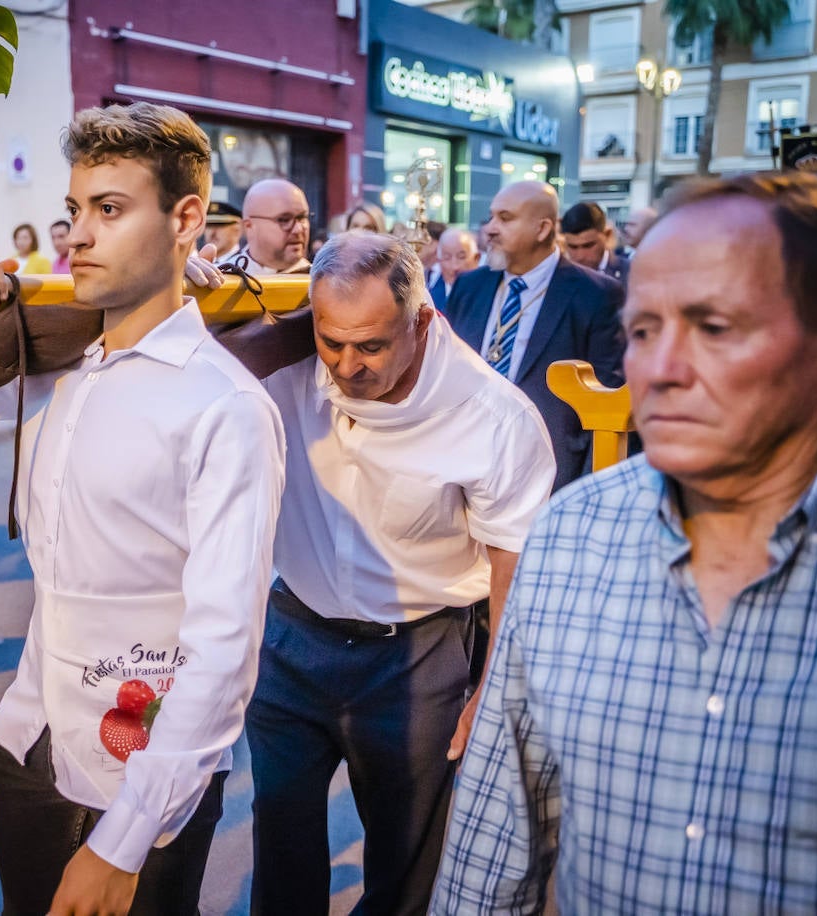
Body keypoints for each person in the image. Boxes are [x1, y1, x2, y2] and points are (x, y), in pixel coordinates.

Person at [0, 101, 285, 916]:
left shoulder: (224, 407)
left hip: (138, 784)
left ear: (187, 219)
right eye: (74, 211)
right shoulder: (60, 365)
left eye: (109, 209)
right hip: (25, 743)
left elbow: (223, 655)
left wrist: (123, 842)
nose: (78, 236)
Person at [432, 171, 817, 914]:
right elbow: (493, 834)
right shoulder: (572, 536)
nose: (662, 371)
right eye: (643, 332)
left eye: (715, 328)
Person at [215, 232, 555, 913]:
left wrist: (493, 692)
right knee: (280, 835)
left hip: (417, 655)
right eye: (330, 340)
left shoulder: (493, 416)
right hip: (294, 636)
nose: (346, 365)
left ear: (421, 321)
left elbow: (513, 565)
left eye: (370, 345)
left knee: (404, 859)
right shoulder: (284, 370)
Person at [443, 181, 625, 492]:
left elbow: (606, 401)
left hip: (550, 475)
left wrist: (585, 491)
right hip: (466, 466)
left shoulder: (595, 295)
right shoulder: (469, 287)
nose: (490, 229)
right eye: (490, 218)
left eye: (505, 218)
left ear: (542, 229)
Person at [225, 178, 312, 274]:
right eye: (284, 220)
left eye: (302, 218)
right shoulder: (224, 280)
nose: (298, 229)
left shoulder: (323, 280)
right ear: (249, 226)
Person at [561, 200, 630, 286]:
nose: (580, 256)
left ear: (607, 235)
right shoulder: (560, 278)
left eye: (588, 246)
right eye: (573, 247)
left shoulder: (631, 273)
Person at [429, 227, 479, 310]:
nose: (454, 266)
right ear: (439, 260)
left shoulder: (487, 294)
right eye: (447, 257)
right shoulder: (430, 299)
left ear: (476, 258)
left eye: (461, 257)